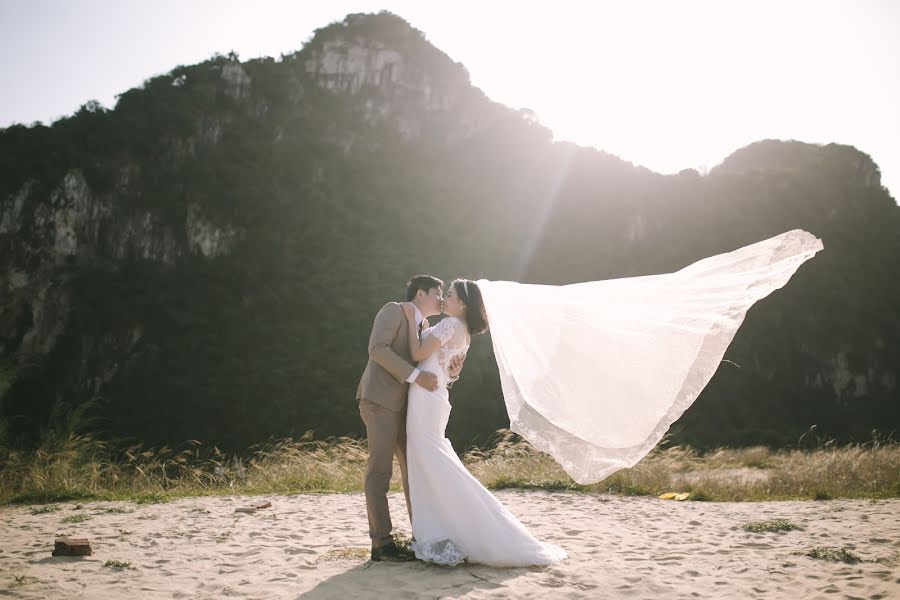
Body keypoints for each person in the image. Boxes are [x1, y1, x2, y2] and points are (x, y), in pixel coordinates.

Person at [401, 279, 567, 567]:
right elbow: (447, 371)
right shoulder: (463, 332)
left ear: (462, 304)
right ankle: (445, 526)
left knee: (429, 459)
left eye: (449, 295)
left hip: (426, 400)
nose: (444, 300)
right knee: (430, 459)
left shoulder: (450, 325)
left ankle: (447, 527)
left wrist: (411, 318)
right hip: (435, 395)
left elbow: (417, 354)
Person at [356, 275, 463, 562]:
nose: (441, 299)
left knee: (414, 472)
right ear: (420, 294)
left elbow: (433, 367)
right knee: (380, 472)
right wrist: (416, 376)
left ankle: (422, 538)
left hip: (409, 407)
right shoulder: (393, 310)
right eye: (437, 292)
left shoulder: (425, 326)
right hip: (379, 401)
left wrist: (452, 369)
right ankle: (381, 544)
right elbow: (377, 349)